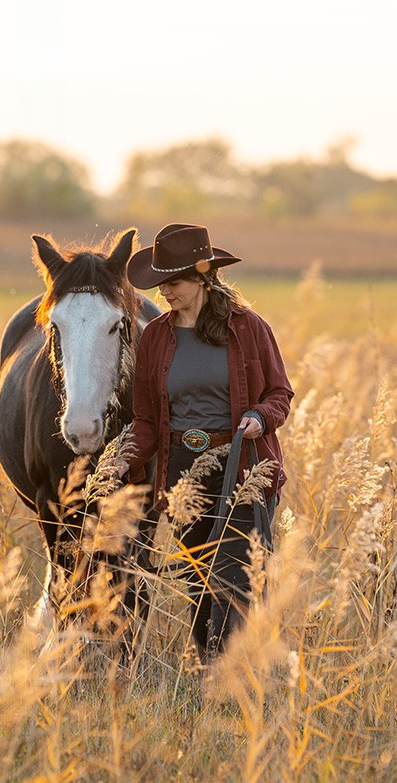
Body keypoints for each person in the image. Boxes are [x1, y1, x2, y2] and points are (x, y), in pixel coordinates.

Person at [121, 223, 294, 662]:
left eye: (173, 283)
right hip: (183, 473)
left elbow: (280, 394)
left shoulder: (248, 328)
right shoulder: (156, 337)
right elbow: (146, 419)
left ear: (201, 277)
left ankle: (224, 675)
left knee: (233, 579)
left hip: (243, 468)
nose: (164, 292)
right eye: (160, 284)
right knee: (199, 583)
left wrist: (259, 417)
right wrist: (120, 460)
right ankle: (210, 668)